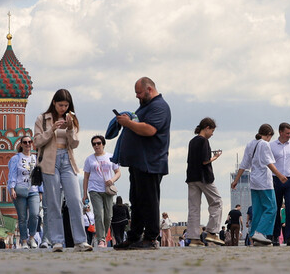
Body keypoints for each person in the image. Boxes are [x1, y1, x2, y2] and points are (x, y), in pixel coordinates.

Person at [113, 77, 171, 250]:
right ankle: (134, 236)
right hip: (139, 163)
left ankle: (151, 237)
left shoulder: (159, 106)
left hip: (150, 163)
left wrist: (128, 123)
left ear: (149, 90)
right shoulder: (146, 106)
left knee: (149, 201)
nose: (137, 96)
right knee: (136, 201)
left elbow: (150, 129)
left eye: (139, 93)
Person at [34, 89, 90, 252]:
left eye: (66, 105)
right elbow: (37, 142)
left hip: (67, 160)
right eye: (60, 105)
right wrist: (52, 130)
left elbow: (75, 144)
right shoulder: (43, 118)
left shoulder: (71, 118)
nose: (63, 108)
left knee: (75, 201)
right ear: (54, 103)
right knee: (53, 202)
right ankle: (57, 241)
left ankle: (80, 241)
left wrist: (71, 128)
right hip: (50, 162)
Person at [232, 123, 288, 246]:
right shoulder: (264, 144)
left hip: (254, 182)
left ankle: (254, 237)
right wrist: (280, 175)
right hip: (264, 182)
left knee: (257, 210)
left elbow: (244, 164)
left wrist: (236, 180)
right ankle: (260, 232)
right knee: (272, 208)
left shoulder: (250, 144)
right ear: (268, 135)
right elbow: (269, 163)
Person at [185, 117, 224, 246]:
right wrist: (216, 157)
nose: (212, 134)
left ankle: (193, 237)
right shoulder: (204, 141)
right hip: (204, 177)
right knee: (217, 202)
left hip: (191, 177)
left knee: (194, 207)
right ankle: (212, 232)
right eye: (212, 131)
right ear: (207, 128)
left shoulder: (192, 141)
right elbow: (205, 160)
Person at [83, 134, 122, 247]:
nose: (96, 146)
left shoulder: (111, 157)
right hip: (94, 189)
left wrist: (112, 179)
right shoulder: (89, 159)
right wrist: (85, 193)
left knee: (108, 216)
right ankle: (101, 239)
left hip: (108, 189)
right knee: (99, 214)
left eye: (98, 143)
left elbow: (118, 172)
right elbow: (86, 177)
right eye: (94, 144)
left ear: (103, 144)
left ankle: (103, 236)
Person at [269, 122, 290, 246]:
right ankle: (275, 236)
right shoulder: (271, 146)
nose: (289, 136)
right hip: (276, 179)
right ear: (280, 132)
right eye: (287, 133)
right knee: (275, 209)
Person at [7, 135, 40, 248]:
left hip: (33, 190)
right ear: (21, 144)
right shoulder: (16, 158)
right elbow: (12, 174)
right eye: (25, 142)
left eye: (29, 142)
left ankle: (32, 237)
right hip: (20, 190)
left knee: (35, 214)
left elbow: (39, 175)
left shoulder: (35, 158)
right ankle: (24, 240)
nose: (27, 144)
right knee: (22, 218)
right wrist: (12, 188)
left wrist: (40, 191)